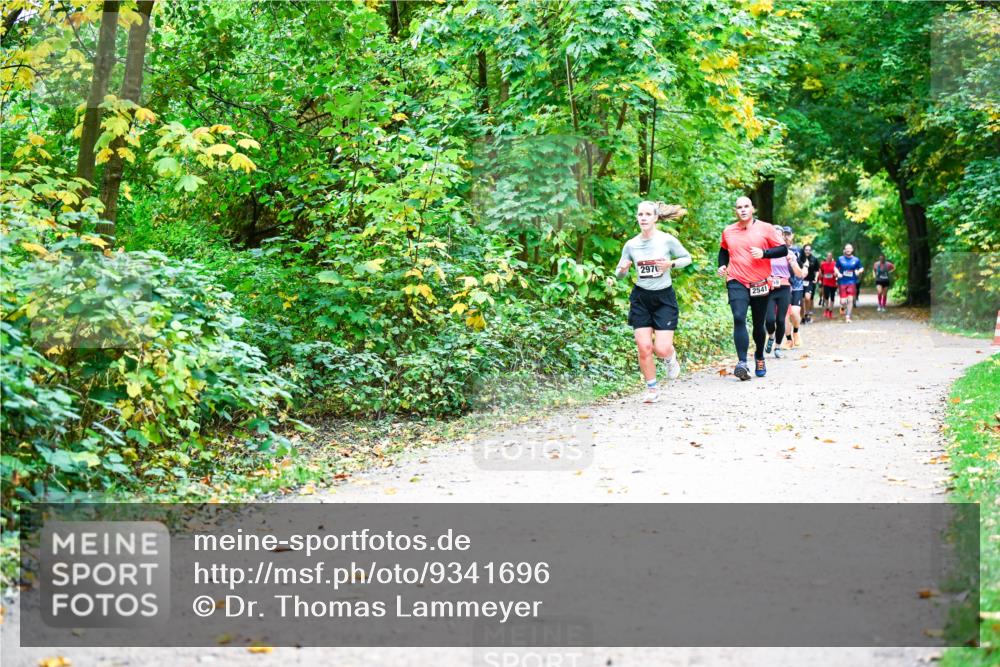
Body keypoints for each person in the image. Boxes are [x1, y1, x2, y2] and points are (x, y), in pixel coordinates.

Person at [610, 200, 692, 403]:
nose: (643, 218)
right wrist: (622, 270)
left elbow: (687, 258)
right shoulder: (631, 245)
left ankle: (670, 357)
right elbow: (619, 273)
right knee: (644, 347)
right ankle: (652, 388)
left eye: (648, 214)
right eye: (640, 214)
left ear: (655, 218)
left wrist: (670, 264)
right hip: (641, 298)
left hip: (664, 297)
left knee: (661, 349)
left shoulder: (666, 240)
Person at [717, 196, 787, 380]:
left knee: (758, 324)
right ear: (736, 210)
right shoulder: (728, 231)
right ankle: (742, 362)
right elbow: (724, 251)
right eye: (739, 207)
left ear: (753, 208)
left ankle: (759, 356)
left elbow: (782, 249)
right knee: (739, 317)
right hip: (736, 279)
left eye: (746, 206)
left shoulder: (766, 228)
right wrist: (722, 265)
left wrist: (765, 253)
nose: (743, 210)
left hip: (760, 282)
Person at [783, 227, 806, 348]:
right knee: (785, 314)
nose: (786, 236)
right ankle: (788, 340)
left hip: (797, 284)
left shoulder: (797, 249)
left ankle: (796, 332)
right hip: (783, 284)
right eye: (784, 234)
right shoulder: (777, 249)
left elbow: (804, 262)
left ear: (792, 235)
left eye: (788, 234)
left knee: (795, 311)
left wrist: (805, 270)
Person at [835, 244, 864, 323]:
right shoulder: (840, 259)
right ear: (844, 250)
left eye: (849, 248)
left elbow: (861, 268)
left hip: (852, 282)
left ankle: (848, 316)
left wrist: (858, 271)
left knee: (850, 300)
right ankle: (842, 307)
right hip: (842, 282)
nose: (848, 250)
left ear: (852, 250)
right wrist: (838, 273)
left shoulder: (856, 259)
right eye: (846, 248)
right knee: (843, 301)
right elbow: (835, 267)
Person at [800, 244, 820, 323]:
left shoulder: (814, 259)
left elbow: (817, 270)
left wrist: (816, 277)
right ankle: (802, 317)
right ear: (804, 250)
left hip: (810, 281)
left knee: (807, 298)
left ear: (811, 251)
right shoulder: (800, 258)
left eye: (809, 250)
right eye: (806, 250)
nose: (807, 251)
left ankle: (807, 313)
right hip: (800, 281)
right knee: (801, 300)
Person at [819, 251, 838, 319]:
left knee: (832, 297)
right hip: (826, 282)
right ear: (826, 257)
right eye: (828, 256)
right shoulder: (823, 264)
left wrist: (836, 277)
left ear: (832, 256)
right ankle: (826, 309)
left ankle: (831, 311)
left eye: (830, 256)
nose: (829, 257)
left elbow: (838, 272)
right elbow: (820, 272)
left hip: (833, 283)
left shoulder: (835, 264)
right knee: (826, 297)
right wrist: (820, 279)